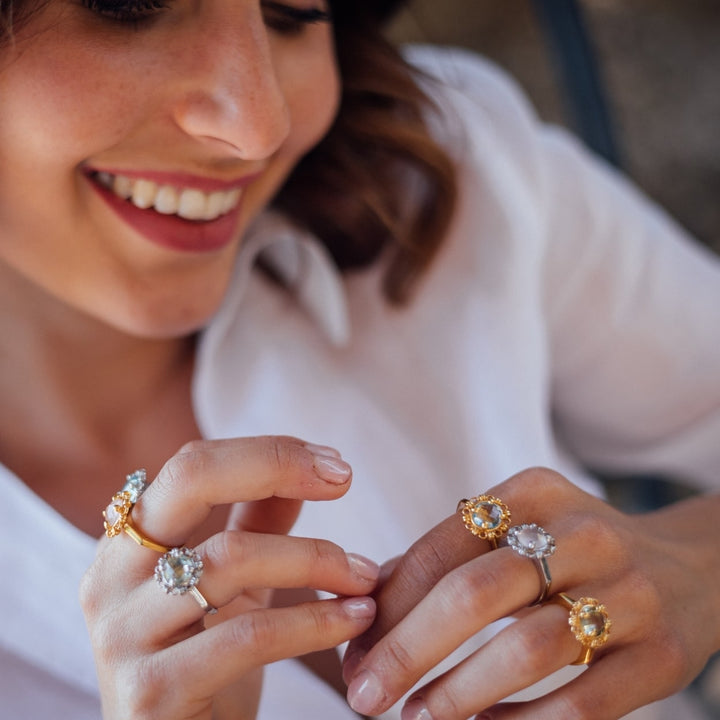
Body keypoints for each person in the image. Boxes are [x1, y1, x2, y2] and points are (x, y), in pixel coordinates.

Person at [0, 0, 718, 718]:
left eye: (293, 13)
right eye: (131, 7)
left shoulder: (442, 176)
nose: (258, 126)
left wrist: (697, 563)